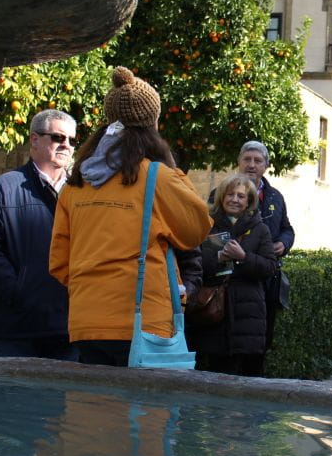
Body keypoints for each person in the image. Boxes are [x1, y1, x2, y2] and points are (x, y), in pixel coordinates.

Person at [49, 67, 212, 366]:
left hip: (86, 322)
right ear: (153, 124)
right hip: (144, 323)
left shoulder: (75, 184)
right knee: (144, 410)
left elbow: (59, 263)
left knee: (92, 409)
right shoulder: (157, 177)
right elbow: (197, 229)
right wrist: (173, 170)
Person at [0, 108, 80, 360]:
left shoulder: (82, 194)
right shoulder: (1, 189)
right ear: (34, 140)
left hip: (68, 333)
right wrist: (20, 294)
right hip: (13, 333)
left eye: (72, 140)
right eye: (58, 138)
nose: (67, 146)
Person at [187, 174, 278, 375]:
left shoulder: (260, 229)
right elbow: (193, 263)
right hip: (213, 313)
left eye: (240, 196)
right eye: (230, 194)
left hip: (248, 314)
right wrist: (218, 256)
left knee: (248, 378)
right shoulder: (207, 225)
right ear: (221, 197)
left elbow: (270, 267)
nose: (235, 199)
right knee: (216, 374)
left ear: (249, 202)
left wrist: (243, 257)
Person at [218, 140, 295, 357]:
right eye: (247, 159)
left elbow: (287, 228)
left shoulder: (275, 197)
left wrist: (284, 242)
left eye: (257, 161)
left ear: (265, 166)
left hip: (266, 281)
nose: (252, 165)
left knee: (259, 343)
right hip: (230, 284)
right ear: (239, 162)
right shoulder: (221, 193)